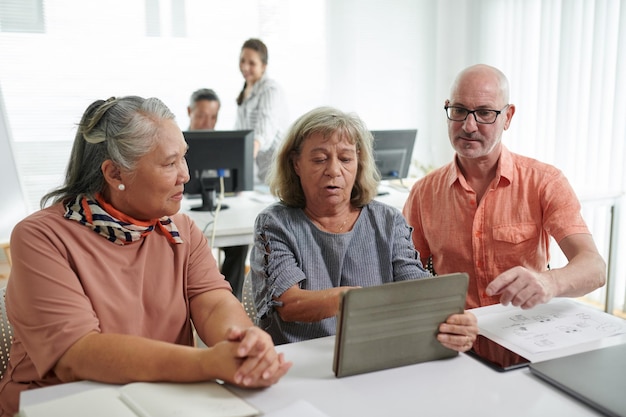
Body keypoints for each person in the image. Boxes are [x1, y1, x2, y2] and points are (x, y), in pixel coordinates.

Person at [0, 96, 291, 416]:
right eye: (169, 163)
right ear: (115, 174)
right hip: (60, 403)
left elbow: (213, 303)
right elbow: (77, 356)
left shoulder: (181, 229)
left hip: (160, 399)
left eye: (184, 158)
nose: (186, 175)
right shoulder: (41, 237)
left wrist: (243, 342)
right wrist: (207, 362)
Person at [249, 106, 478, 348]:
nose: (334, 171)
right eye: (319, 159)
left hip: (374, 354)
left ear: (359, 162)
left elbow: (416, 288)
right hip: (298, 363)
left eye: (346, 159)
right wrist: (351, 300)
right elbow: (288, 304)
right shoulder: (276, 224)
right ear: (296, 164)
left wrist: (453, 316)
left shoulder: (388, 221)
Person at [403, 64, 606, 311]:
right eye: (459, 110)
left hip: (525, 336)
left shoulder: (544, 181)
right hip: (457, 337)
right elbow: (406, 275)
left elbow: (594, 267)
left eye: (485, 113)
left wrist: (548, 282)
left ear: (507, 117)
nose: (468, 126)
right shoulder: (424, 193)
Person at [187, 88, 248, 300]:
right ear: (189, 112)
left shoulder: (223, 146)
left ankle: (231, 298)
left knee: (239, 243)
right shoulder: (176, 145)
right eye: (202, 115)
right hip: (186, 212)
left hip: (217, 210)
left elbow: (233, 182)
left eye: (213, 117)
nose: (208, 122)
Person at [235, 38, 289, 183]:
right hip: (259, 173)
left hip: (276, 169)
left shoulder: (270, 90)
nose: (245, 67)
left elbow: (265, 130)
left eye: (252, 63)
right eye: (242, 60)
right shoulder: (245, 92)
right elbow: (240, 132)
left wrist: (245, 157)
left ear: (263, 66)